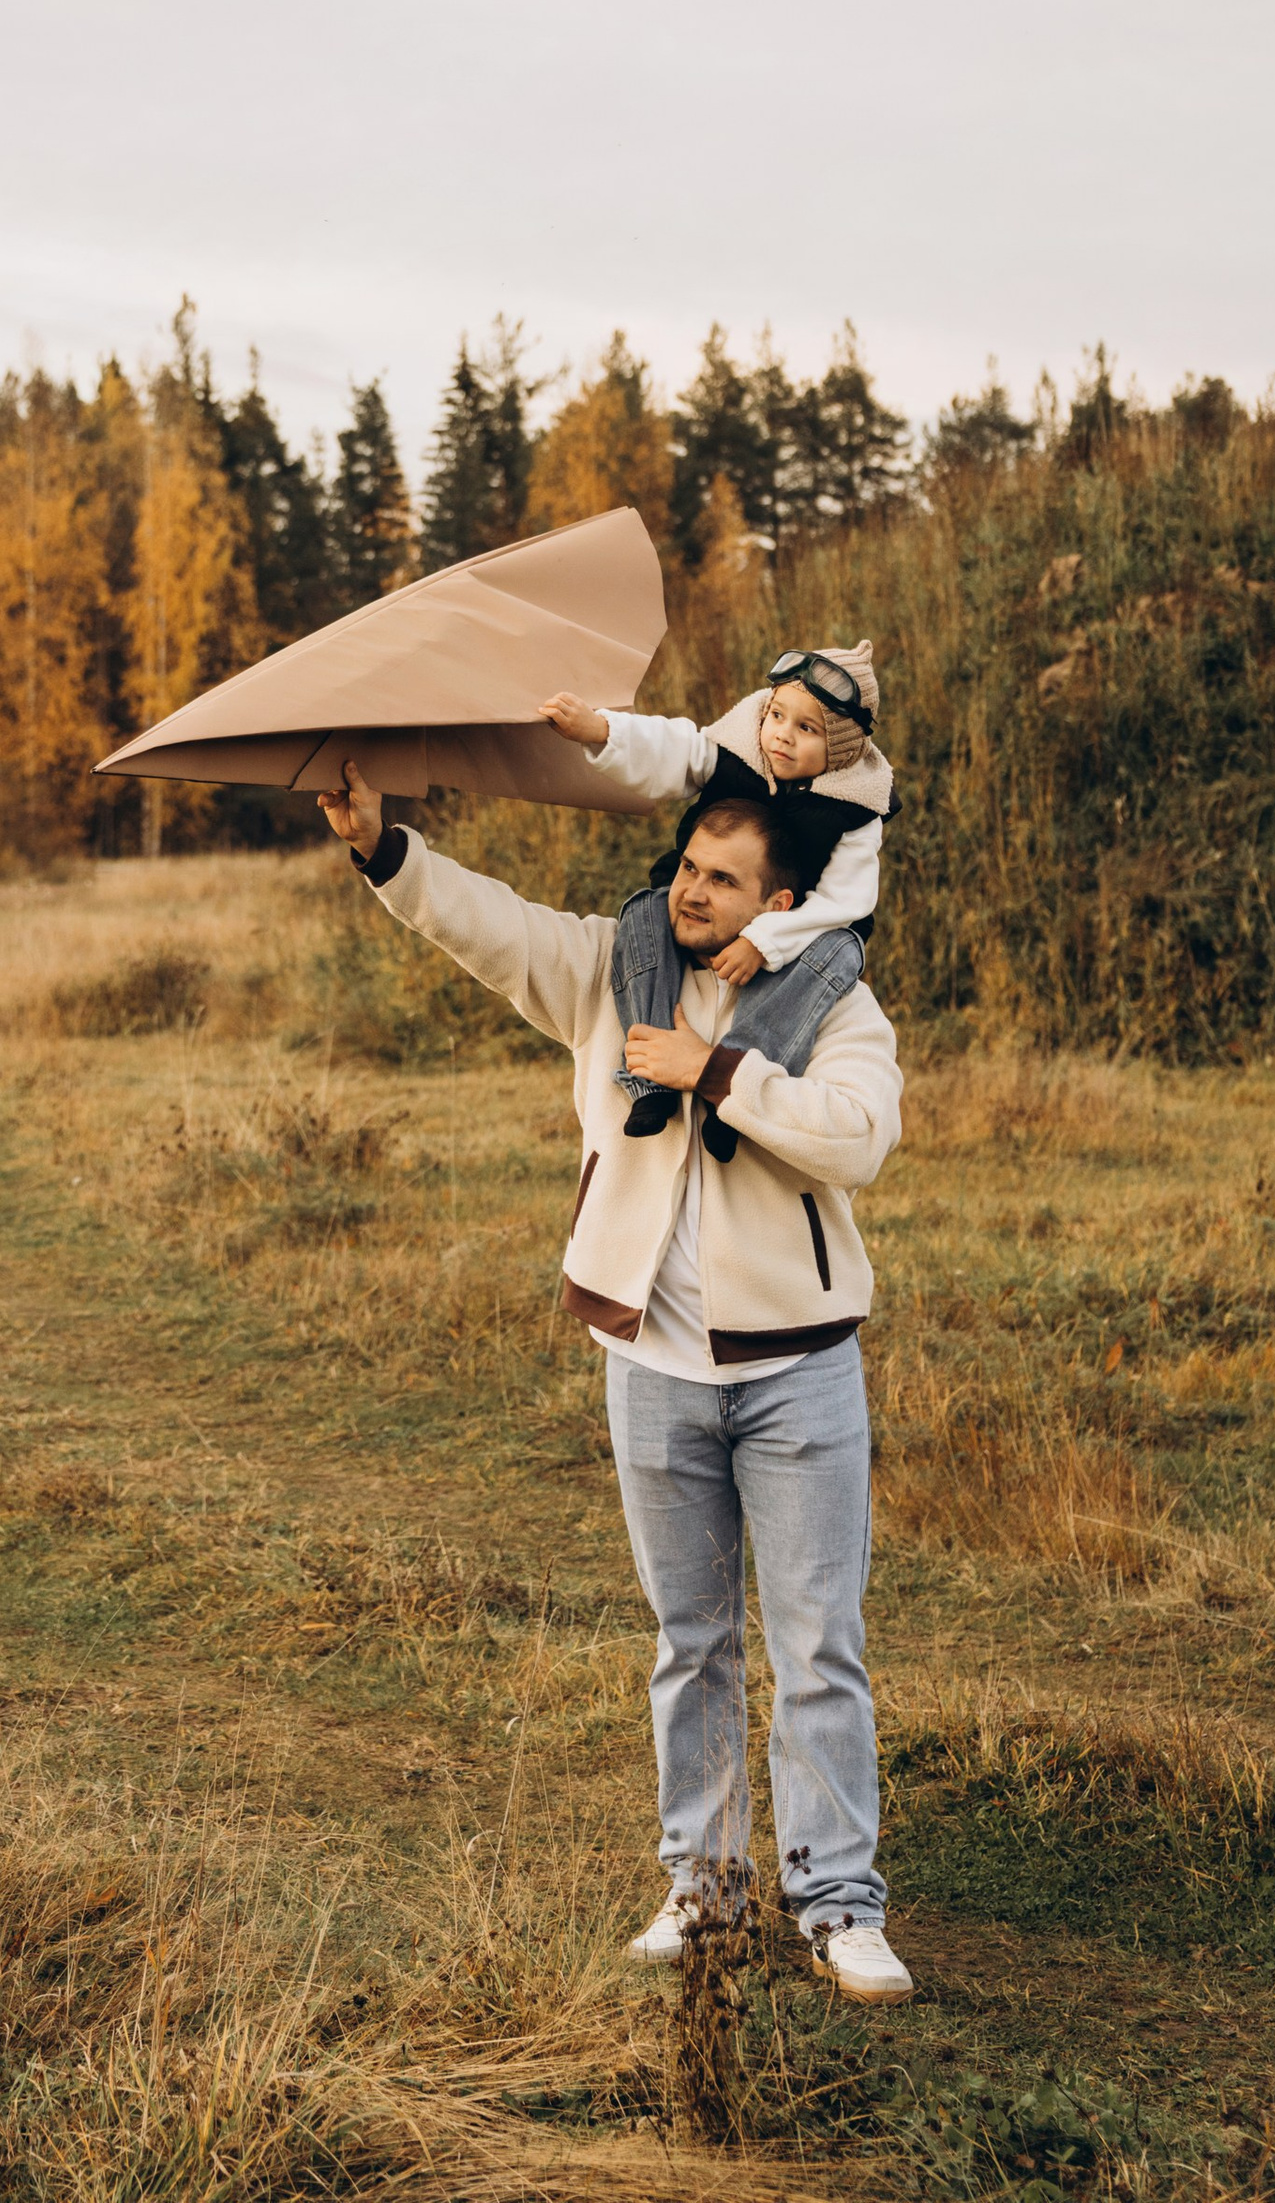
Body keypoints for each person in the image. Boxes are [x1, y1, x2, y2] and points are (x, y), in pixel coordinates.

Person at [319, 754, 912, 2003]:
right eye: (688, 866)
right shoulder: (616, 968)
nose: (691, 892)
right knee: (688, 1642)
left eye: (723, 880)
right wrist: (386, 848)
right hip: (648, 1369)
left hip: (798, 1373)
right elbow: (493, 928)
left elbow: (857, 1141)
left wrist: (722, 1073)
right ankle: (703, 1890)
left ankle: (836, 1904)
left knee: (818, 1648)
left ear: (782, 900)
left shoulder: (837, 1007)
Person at [539, 642, 896, 1140]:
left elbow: (845, 901)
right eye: (777, 715)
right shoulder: (739, 748)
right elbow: (674, 748)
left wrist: (764, 941)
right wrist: (601, 730)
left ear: (839, 747)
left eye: (806, 729)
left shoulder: (857, 807)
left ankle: (734, 1086)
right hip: (713, 899)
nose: (782, 737)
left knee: (837, 954)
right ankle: (648, 1074)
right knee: (645, 911)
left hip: (806, 927)